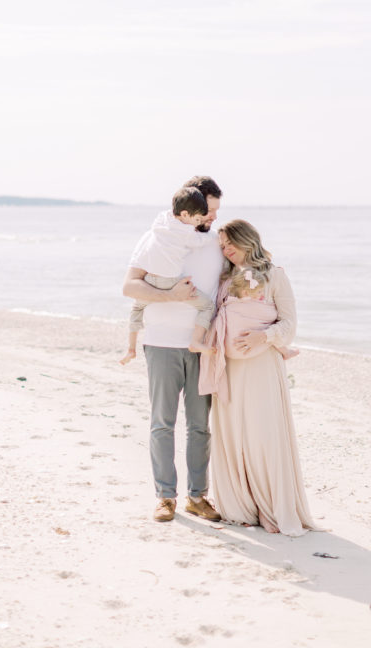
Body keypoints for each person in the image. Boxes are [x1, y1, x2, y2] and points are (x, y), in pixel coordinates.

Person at [199, 219, 314, 537]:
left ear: (247, 239)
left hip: (261, 368)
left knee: (263, 437)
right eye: (221, 246)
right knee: (235, 438)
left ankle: (271, 507)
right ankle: (242, 507)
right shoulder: (224, 279)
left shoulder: (276, 276)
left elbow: (289, 326)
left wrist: (263, 337)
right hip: (230, 370)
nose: (225, 249)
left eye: (229, 242)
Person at [122, 175, 224, 524]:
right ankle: (165, 497)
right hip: (162, 341)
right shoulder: (156, 238)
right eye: (208, 211)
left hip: (202, 347)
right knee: (162, 423)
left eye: (214, 213)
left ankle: (198, 496)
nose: (211, 219)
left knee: (200, 426)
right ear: (190, 209)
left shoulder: (215, 243)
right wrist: (170, 296)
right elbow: (130, 285)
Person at [119, 185, 217, 365]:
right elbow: (128, 287)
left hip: (151, 279)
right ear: (186, 214)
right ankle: (196, 340)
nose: (209, 218)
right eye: (204, 214)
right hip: (170, 284)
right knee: (207, 306)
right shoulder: (187, 233)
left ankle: (131, 348)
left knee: (136, 309)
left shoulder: (160, 222)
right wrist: (214, 236)